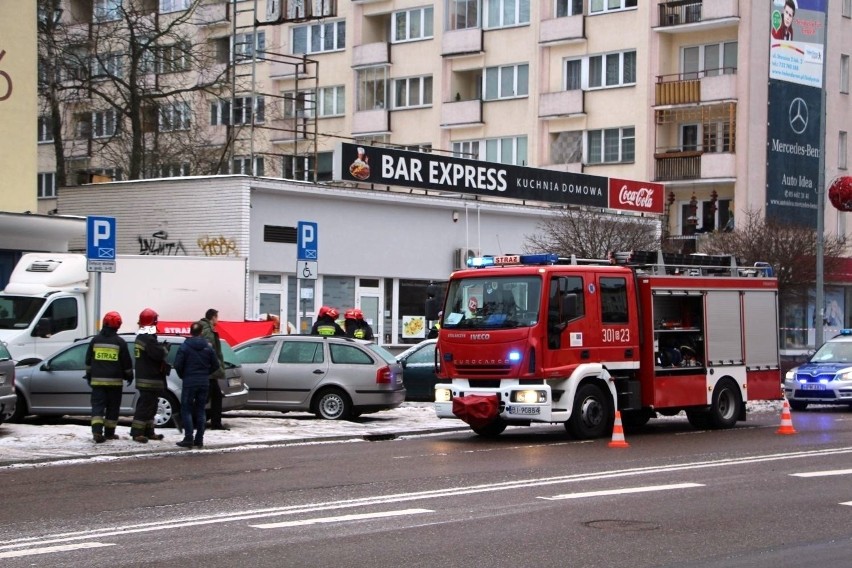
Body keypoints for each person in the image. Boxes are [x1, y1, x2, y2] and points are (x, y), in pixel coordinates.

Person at [85, 311, 133, 443]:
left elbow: (88, 360)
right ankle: (109, 433)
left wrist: (89, 375)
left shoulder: (95, 340)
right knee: (112, 409)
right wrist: (129, 375)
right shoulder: (120, 342)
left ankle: (96, 432)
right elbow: (126, 363)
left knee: (97, 408)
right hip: (115, 383)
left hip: (97, 382)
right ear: (117, 325)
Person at [174, 322, 220, 449]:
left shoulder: (185, 346)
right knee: (200, 410)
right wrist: (206, 373)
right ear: (201, 332)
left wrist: (183, 375)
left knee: (186, 409)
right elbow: (216, 365)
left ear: (190, 332)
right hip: (203, 382)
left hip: (189, 381)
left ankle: (188, 438)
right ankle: (199, 439)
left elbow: (178, 364)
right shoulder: (208, 347)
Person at [130, 308, 170, 443]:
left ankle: (149, 431)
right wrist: (165, 348)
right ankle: (137, 433)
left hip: (147, 378)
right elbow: (158, 354)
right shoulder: (147, 339)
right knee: (145, 406)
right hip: (149, 378)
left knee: (151, 406)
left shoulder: (142, 337)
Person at [197, 308, 228, 430]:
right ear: (213, 317)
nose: (218, 320)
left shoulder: (204, 328)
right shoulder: (207, 331)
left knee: (214, 397)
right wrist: (214, 365)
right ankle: (192, 420)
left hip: (208, 372)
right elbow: (209, 350)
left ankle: (216, 423)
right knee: (206, 398)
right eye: (217, 317)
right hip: (208, 371)